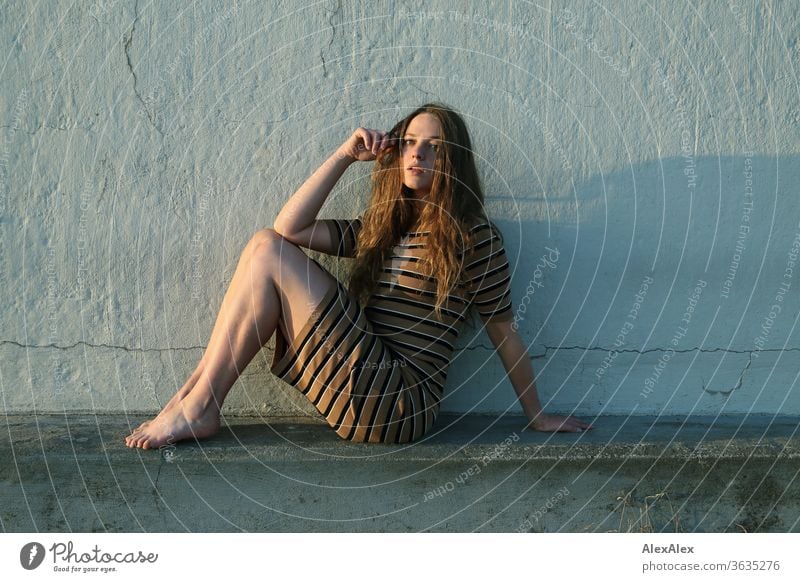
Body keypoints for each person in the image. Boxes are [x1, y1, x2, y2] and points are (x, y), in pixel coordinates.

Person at [125, 103, 592, 449]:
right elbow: (293, 226)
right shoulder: (382, 229)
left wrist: (537, 415)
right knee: (263, 245)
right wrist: (345, 155)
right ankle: (194, 397)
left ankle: (200, 404)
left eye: (433, 147)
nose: (418, 155)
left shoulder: (476, 240)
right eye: (409, 143)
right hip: (364, 382)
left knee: (267, 248)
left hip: (401, 403)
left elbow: (504, 332)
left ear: (453, 161)